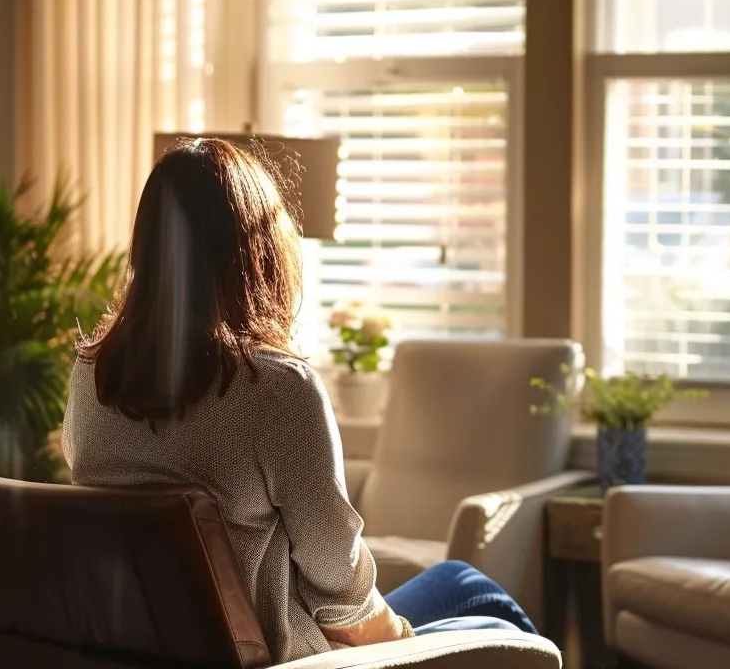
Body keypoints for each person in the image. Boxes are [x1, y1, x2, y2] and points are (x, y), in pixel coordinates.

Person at [62, 138, 536, 664]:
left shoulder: (92, 376)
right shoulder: (275, 387)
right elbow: (339, 592)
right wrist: (403, 643)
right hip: (288, 657)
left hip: (142, 652)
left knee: (458, 581)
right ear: (256, 252)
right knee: (485, 607)